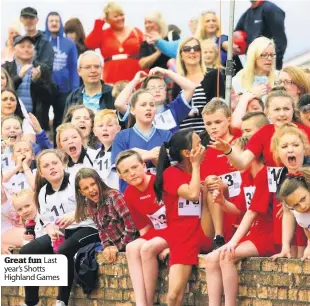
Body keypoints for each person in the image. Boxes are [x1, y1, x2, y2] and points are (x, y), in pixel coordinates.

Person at [19, 149, 100, 306]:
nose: (52, 167)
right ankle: (31, 302)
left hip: (88, 227)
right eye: (47, 166)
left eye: (55, 163)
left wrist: (75, 215)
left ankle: (61, 301)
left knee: (64, 249)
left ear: (63, 163)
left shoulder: (75, 181)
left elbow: (94, 201)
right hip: (64, 233)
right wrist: (51, 231)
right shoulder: (43, 193)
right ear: (41, 173)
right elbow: (47, 220)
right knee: (27, 251)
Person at [154, 129, 213, 306]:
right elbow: (193, 193)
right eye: (198, 144)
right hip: (183, 236)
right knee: (173, 296)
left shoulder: (207, 165)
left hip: (205, 228)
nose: (202, 147)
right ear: (187, 153)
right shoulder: (171, 173)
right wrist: (195, 167)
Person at [116, 150, 169, 306]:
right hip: (157, 231)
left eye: (134, 167)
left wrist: (165, 246)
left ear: (144, 166)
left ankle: (148, 302)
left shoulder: (159, 182)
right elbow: (144, 228)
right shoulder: (129, 193)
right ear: (121, 176)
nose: (132, 173)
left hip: (175, 228)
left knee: (147, 248)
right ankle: (140, 302)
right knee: (132, 247)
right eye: (126, 171)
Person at [200, 99, 242, 249]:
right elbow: (202, 184)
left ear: (229, 120)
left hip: (240, 205)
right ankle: (219, 236)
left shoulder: (240, 142)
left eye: (218, 122)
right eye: (208, 124)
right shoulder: (206, 152)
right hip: (217, 210)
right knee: (211, 181)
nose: (213, 127)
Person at [111, 89, 172, 193]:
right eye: (143, 105)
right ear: (132, 110)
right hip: (132, 197)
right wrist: (151, 155)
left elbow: (173, 168)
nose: (148, 108)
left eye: (152, 105)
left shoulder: (166, 135)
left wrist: (142, 157)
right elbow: (120, 169)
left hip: (161, 194)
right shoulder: (121, 136)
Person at [75, 168, 137, 263]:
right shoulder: (90, 207)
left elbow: (132, 226)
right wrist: (107, 247)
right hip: (115, 248)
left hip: (131, 244)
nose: (91, 189)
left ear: (99, 182)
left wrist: (119, 247)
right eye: (86, 188)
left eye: (93, 184)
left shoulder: (115, 196)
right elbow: (101, 231)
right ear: (82, 192)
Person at [115, 67, 195, 134]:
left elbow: (190, 87)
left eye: (161, 87)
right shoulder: (137, 111)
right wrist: (135, 81)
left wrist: (167, 73)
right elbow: (119, 104)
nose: (157, 90)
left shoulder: (174, 109)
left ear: (165, 92)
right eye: (152, 88)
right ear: (144, 92)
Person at [2, 35, 57, 131]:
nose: (26, 50)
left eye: (29, 46)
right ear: (14, 50)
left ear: (34, 50)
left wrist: (37, 81)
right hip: (10, 120)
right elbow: (3, 91)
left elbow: (50, 96)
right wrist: (19, 77)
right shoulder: (6, 67)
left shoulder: (42, 69)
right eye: (22, 46)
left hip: (35, 121)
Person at [85, 2, 144, 84]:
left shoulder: (136, 32)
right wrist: (99, 23)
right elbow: (90, 44)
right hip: (112, 77)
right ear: (107, 19)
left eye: (121, 15)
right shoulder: (103, 33)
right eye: (116, 16)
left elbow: (146, 53)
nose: (120, 18)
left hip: (135, 77)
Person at [45, 12, 80, 133]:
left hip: (63, 89)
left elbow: (73, 67)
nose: (54, 23)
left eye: (57, 21)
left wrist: (75, 89)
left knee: (61, 120)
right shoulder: (42, 41)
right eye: (51, 21)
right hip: (44, 88)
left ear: (60, 24)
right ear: (46, 23)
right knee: (42, 119)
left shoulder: (69, 44)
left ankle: (59, 147)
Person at [235, 0, 287, 70]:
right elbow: (234, 37)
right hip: (253, 66)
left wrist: (271, 62)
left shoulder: (270, 9)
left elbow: (280, 41)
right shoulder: (246, 15)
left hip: (270, 67)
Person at [274, 167, 310, 261]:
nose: (302, 206)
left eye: (303, 199)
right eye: (296, 205)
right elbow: (307, 228)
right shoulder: (299, 216)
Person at [173, 38, 207, 133]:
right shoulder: (177, 81)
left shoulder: (212, 76)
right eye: (187, 49)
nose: (192, 51)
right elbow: (174, 111)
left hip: (208, 136)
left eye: (196, 48)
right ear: (181, 55)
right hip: (184, 138)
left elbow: (217, 106)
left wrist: (194, 111)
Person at [92, 109, 121, 189]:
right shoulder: (93, 155)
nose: (105, 129)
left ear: (118, 129)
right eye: (100, 126)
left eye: (109, 125)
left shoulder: (122, 152)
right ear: (94, 131)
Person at [19, 7, 54, 71]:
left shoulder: (45, 42)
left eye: (31, 18)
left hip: (38, 79)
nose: (28, 20)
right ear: (20, 19)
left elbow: (47, 68)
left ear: (37, 20)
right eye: (25, 17)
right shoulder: (19, 42)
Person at [1, 184, 24, 254]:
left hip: (22, 224)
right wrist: (1, 246)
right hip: (4, 230)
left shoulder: (12, 189)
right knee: (28, 236)